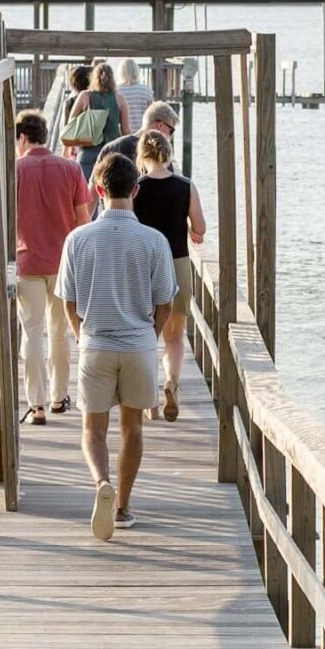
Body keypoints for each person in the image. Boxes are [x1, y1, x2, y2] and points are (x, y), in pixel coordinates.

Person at [55, 151, 175, 539]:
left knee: (93, 430)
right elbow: (165, 302)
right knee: (133, 428)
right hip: (139, 344)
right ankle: (122, 507)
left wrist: (80, 334)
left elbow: (69, 301)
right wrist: (149, 337)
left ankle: (100, 483)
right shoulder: (154, 241)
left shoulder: (77, 240)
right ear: (135, 190)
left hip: (96, 344)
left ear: (97, 189)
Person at [14, 109, 90, 423]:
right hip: (64, 265)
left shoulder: (14, 170)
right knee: (59, 333)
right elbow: (84, 221)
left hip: (26, 261)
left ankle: (37, 405)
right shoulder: (71, 169)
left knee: (31, 333)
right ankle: (59, 398)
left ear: (22, 138)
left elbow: (1, 219)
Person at [132, 127, 206, 423]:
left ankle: (149, 399)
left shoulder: (136, 188)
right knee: (174, 338)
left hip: (144, 268)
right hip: (177, 266)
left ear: (142, 155)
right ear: (167, 153)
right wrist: (189, 229)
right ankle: (172, 383)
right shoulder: (185, 186)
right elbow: (200, 229)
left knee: (146, 336)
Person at [65, 59, 124, 181]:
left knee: (85, 193)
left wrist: (68, 147)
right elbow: (125, 129)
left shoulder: (85, 96)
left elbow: (71, 123)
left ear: (93, 78)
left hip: (87, 150)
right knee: (108, 191)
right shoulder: (119, 98)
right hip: (112, 151)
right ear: (112, 79)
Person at [116, 59, 152, 136]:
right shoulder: (147, 90)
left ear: (121, 73)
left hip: (122, 137)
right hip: (142, 135)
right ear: (137, 72)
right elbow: (151, 117)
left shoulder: (116, 91)